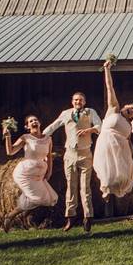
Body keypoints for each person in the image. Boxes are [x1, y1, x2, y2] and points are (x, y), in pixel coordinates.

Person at [44, 93, 102, 233]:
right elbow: (53, 127)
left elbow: (100, 127)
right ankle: (70, 217)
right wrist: (39, 137)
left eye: (81, 100)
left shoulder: (90, 112)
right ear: (72, 101)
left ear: (84, 101)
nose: (78, 102)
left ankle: (88, 217)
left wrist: (89, 130)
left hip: (85, 154)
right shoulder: (66, 113)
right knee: (71, 185)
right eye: (76, 100)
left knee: (85, 187)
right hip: (70, 154)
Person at [2, 115, 58, 231]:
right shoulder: (25, 137)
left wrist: (50, 172)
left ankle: (24, 215)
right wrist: (7, 136)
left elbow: (49, 157)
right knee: (36, 198)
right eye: (30, 121)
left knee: (49, 198)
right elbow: (10, 151)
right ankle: (10, 216)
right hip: (25, 173)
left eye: (35, 120)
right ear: (27, 126)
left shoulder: (48, 139)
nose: (34, 122)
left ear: (39, 123)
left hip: (39, 173)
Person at [93, 59, 133, 201]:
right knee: (105, 166)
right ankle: (105, 188)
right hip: (107, 141)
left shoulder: (128, 125)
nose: (131, 110)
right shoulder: (114, 109)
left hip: (121, 147)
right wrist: (107, 70)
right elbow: (109, 88)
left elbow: (129, 139)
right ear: (124, 106)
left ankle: (119, 189)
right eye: (130, 108)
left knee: (124, 171)